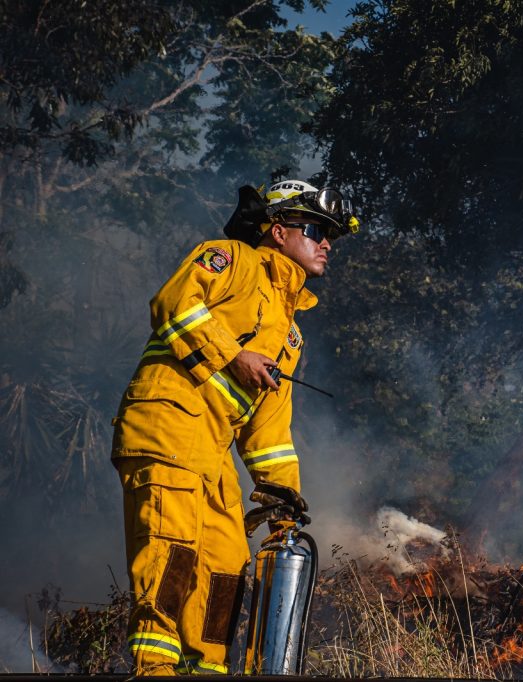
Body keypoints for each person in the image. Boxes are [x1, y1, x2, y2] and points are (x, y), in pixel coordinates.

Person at [110, 180, 358, 675]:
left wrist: (284, 502)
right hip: (166, 426)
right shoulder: (230, 260)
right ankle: (154, 670)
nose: (326, 242)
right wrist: (233, 354)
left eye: (331, 234)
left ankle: (208, 669)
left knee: (226, 567)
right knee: (172, 553)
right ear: (278, 231)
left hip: (212, 451)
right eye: (315, 229)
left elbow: (269, 433)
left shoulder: (289, 332)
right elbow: (173, 305)